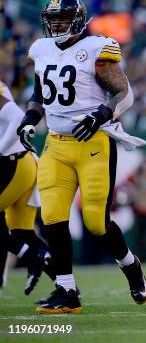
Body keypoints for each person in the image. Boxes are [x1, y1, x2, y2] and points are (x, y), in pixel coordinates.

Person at [17, 0, 146, 314]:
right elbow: (39, 93)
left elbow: (123, 93)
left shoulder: (96, 49)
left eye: (63, 18)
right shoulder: (42, 49)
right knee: (52, 219)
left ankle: (130, 265)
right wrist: (29, 119)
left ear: (78, 20)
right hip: (56, 145)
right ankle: (66, 290)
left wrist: (100, 115)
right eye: (53, 19)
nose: (57, 24)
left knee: (95, 222)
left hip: (93, 143)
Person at [0, 80, 53, 297]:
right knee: (22, 232)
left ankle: (30, 256)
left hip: (14, 162)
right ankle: (68, 289)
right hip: (19, 163)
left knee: (20, 237)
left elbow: (16, 117)